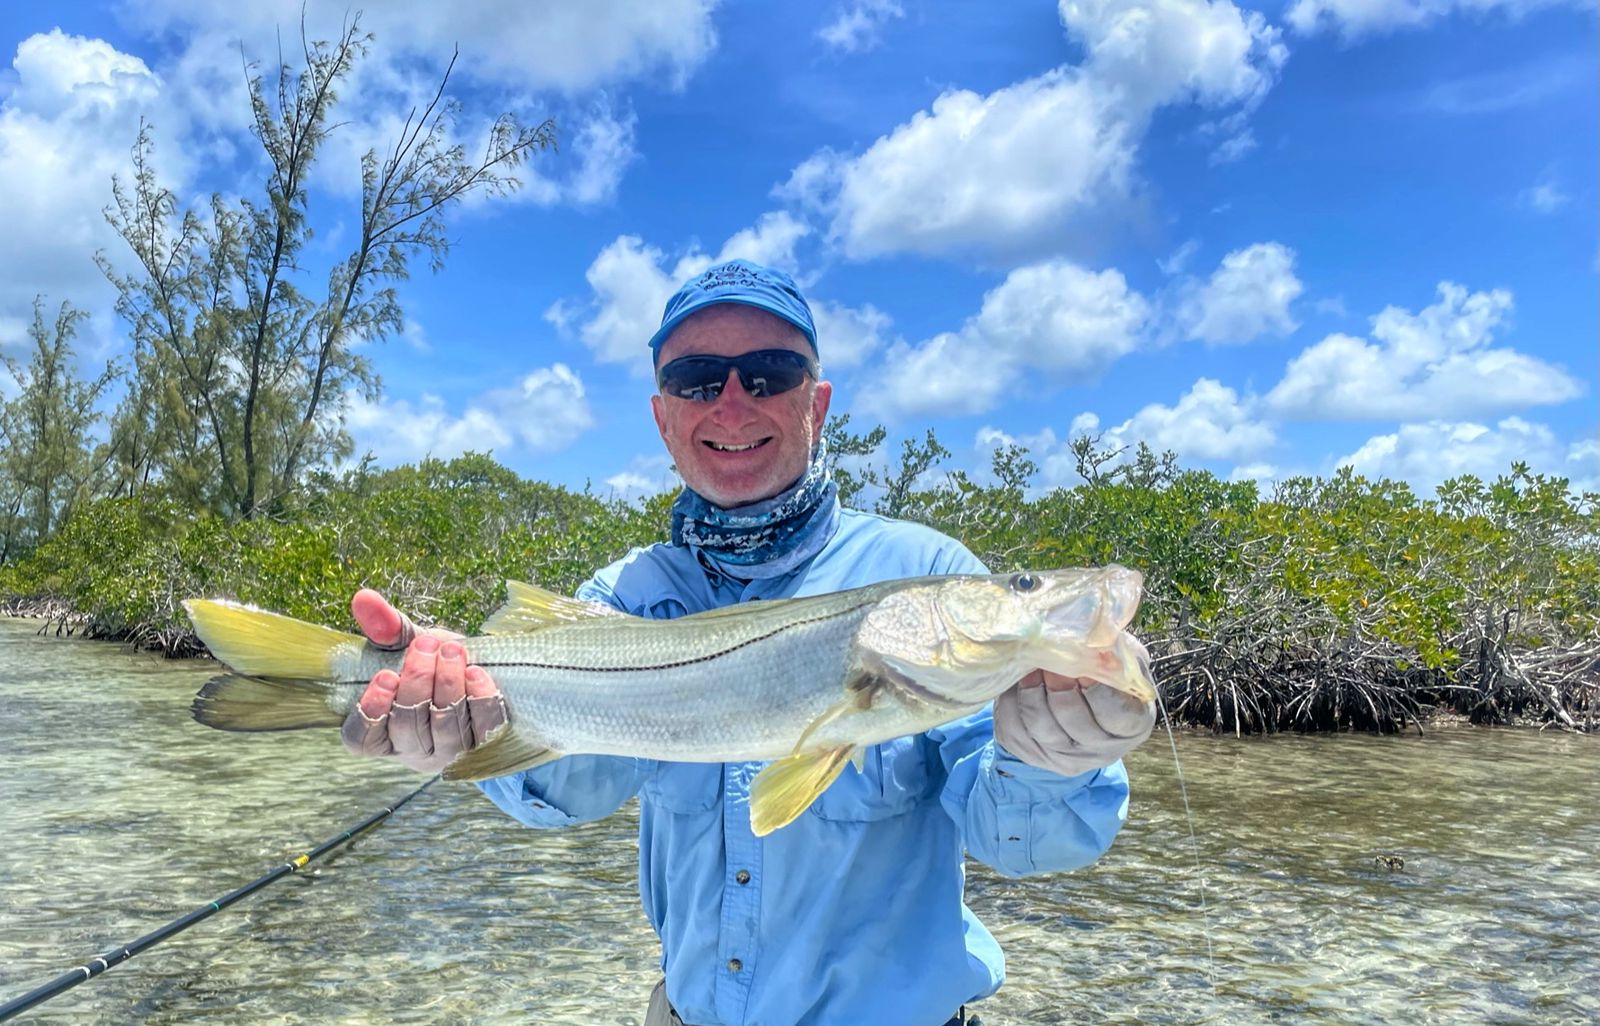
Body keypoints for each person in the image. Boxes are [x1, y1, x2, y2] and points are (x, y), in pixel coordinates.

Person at [341, 259, 1157, 1026]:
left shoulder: (927, 568)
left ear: (818, 403)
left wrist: (1056, 760)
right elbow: (567, 794)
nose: (732, 403)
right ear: (665, 418)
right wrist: (450, 722)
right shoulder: (622, 597)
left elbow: (1026, 845)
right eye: (697, 381)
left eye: (768, 373)